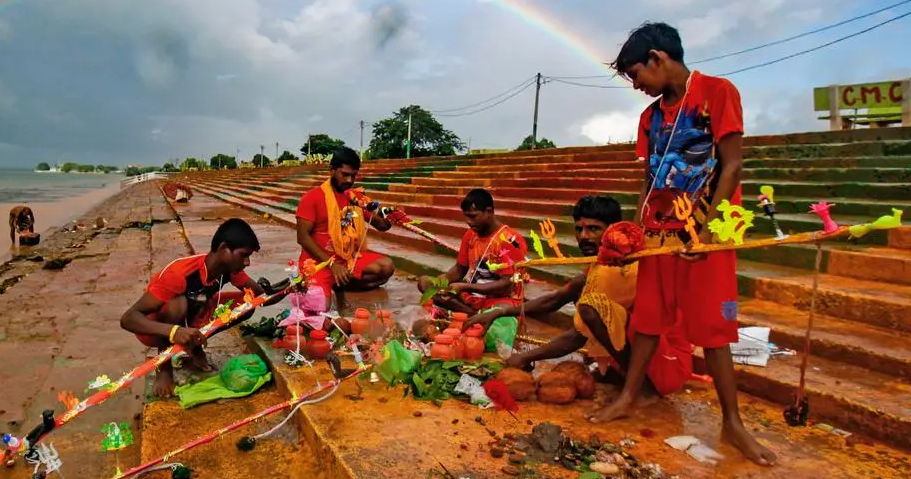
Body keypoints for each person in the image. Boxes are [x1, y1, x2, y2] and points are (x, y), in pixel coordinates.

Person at [588, 22, 775, 466]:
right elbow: (647, 180)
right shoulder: (650, 118)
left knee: (714, 329)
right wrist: (632, 232)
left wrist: (708, 234)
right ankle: (630, 397)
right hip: (658, 236)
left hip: (707, 236)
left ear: (657, 58)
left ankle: (732, 424)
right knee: (649, 320)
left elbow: (731, 167)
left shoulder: (717, 92)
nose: (637, 86)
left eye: (637, 74)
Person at [472, 195, 692, 397]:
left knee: (591, 307)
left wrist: (527, 356)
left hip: (666, 364)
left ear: (613, 231)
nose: (583, 237)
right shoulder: (597, 267)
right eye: (579, 229)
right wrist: (500, 312)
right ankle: (624, 374)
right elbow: (554, 300)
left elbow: (579, 335)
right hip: (643, 357)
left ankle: (642, 391)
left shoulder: (622, 267)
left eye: (593, 229)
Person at [121, 218, 275, 397]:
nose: (247, 262)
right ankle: (164, 368)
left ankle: (194, 346)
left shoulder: (230, 270)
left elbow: (260, 296)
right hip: (155, 327)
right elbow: (128, 318)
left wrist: (290, 287)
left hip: (193, 317)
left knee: (246, 304)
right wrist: (173, 332)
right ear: (224, 248)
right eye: (244, 255)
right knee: (177, 305)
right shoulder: (179, 274)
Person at [295, 146, 395, 308]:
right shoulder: (312, 198)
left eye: (353, 176)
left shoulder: (355, 197)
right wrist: (332, 265)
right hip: (318, 262)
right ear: (332, 171)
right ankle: (327, 282)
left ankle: (340, 283)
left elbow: (381, 225)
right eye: (345, 175)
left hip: (346, 259)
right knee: (320, 307)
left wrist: (390, 216)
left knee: (386, 267)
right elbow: (303, 238)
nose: (349, 180)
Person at [417, 188, 527, 316]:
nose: (468, 222)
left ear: (489, 211)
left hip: (500, 299)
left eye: (473, 216)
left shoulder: (509, 240)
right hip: (471, 295)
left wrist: (465, 287)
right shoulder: (470, 235)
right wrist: (441, 283)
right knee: (425, 282)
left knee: (503, 311)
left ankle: (476, 315)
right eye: (466, 216)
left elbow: (508, 285)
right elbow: (460, 269)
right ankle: (473, 314)